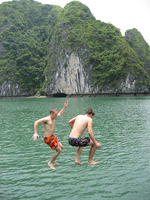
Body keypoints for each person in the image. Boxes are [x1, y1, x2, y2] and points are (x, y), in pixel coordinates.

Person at [32, 100, 68, 170]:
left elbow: (60, 114)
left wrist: (64, 107)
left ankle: (54, 159)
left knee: (61, 147)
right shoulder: (47, 119)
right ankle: (50, 163)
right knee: (59, 150)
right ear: (51, 113)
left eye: (56, 114)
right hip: (48, 138)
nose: (56, 116)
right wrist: (35, 133)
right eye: (55, 114)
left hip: (52, 136)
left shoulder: (54, 117)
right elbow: (36, 122)